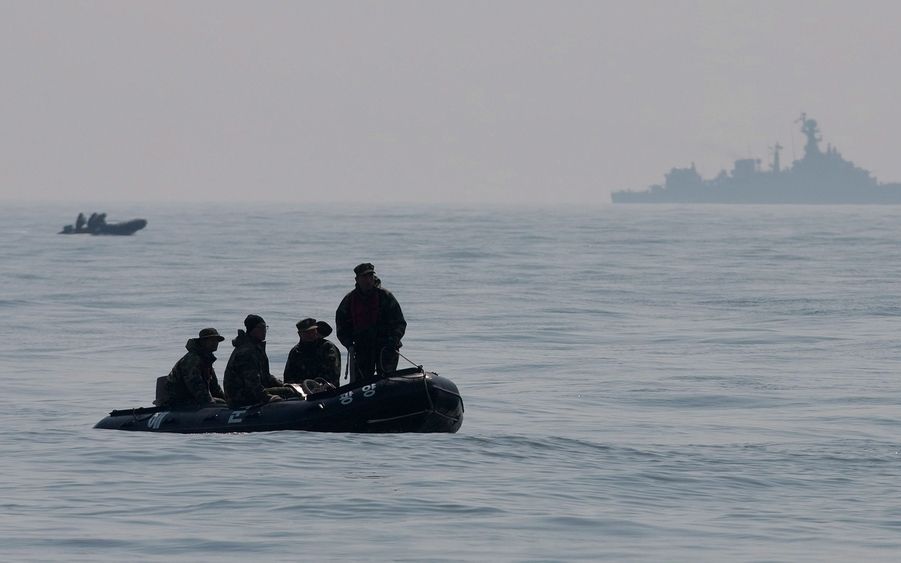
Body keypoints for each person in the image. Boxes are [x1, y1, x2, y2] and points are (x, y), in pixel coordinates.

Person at [335, 263, 406, 382]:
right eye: (364, 277)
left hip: (386, 347)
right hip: (362, 348)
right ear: (357, 279)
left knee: (388, 380)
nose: (368, 280)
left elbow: (399, 322)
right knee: (361, 382)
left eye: (370, 276)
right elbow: (341, 326)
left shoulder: (385, 296)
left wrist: (393, 340)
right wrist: (349, 344)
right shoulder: (350, 300)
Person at [223, 314, 298, 407]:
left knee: (288, 389)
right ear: (252, 330)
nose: (264, 331)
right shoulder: (246, 352)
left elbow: (265, 375)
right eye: (261, 328)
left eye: (265, 327)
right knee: (287, 392)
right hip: (240, 396)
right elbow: (251, 382)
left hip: (249, 392)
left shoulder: (256, 348)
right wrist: (267, 397)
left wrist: (282, 384)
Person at [160, 327, 227, 407]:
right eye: (211, 340)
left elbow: (215, 387)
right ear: (203, 342)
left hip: (191, 398)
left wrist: (227, 401)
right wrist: (210, 402)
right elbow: (196, 385)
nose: (215, 343)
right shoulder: (192, 359)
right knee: (218, 402)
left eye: (216, 340)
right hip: (178, 401)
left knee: (221, 402)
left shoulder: (206, 360)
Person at [284, 318, 342, 388]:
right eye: (307, 332)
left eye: (313, 331)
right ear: (300, 334)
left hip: (326, 391)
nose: (311, 334)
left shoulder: (327, 347)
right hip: (300, 392)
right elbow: (288, 377)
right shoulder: (296, 352)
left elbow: (333, 375)